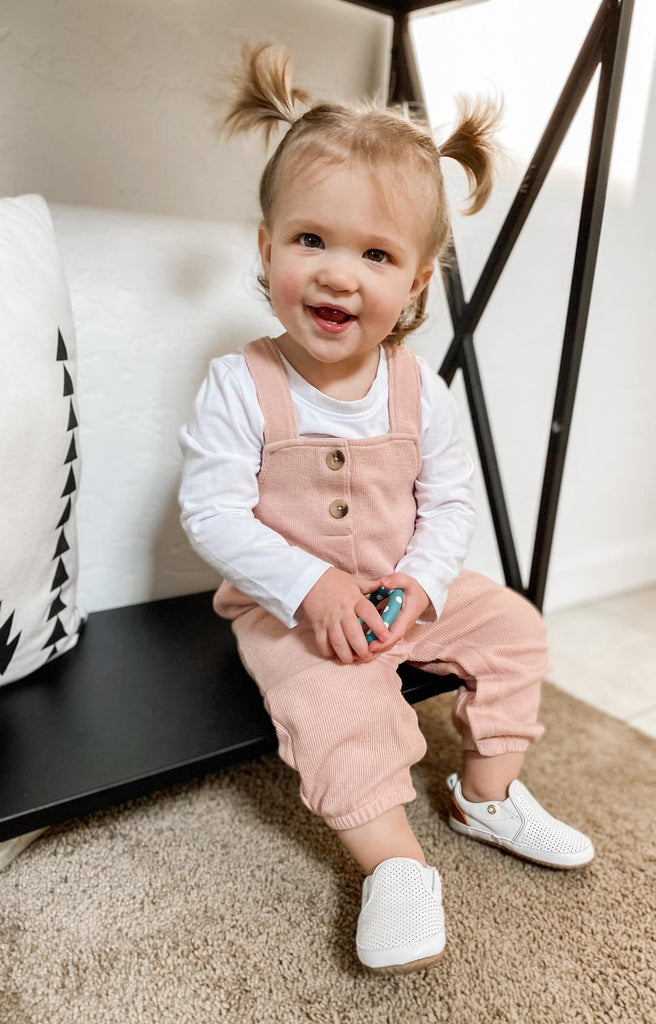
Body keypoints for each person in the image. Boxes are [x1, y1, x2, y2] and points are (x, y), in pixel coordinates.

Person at [179, 42, 594, 974]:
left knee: (515, 628)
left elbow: (447, 503)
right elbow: (211, 512)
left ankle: (483, 795)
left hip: (398, 595)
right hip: (289, 607)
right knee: (336, 699)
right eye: (310, 241)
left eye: (374, 254)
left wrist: (420, 579)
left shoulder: (420, 391)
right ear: (266, 246)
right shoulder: (240, 382)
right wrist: (308, 587)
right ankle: (393, 863)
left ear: (414, 282)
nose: (336, 275)